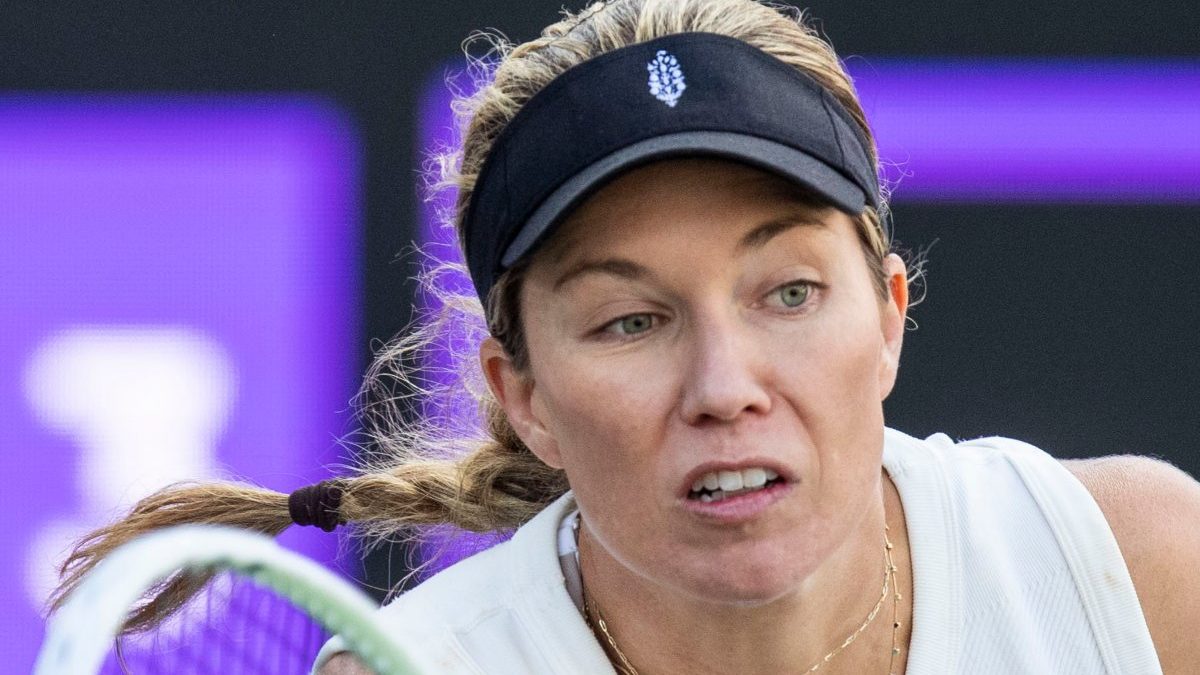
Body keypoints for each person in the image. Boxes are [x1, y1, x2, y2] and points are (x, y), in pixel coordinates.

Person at [51, 1, 1200, 673]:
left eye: (788, 293)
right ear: (523, 394)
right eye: (632, 320)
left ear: (890, 316)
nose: (725, 385)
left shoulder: (1142, 571)